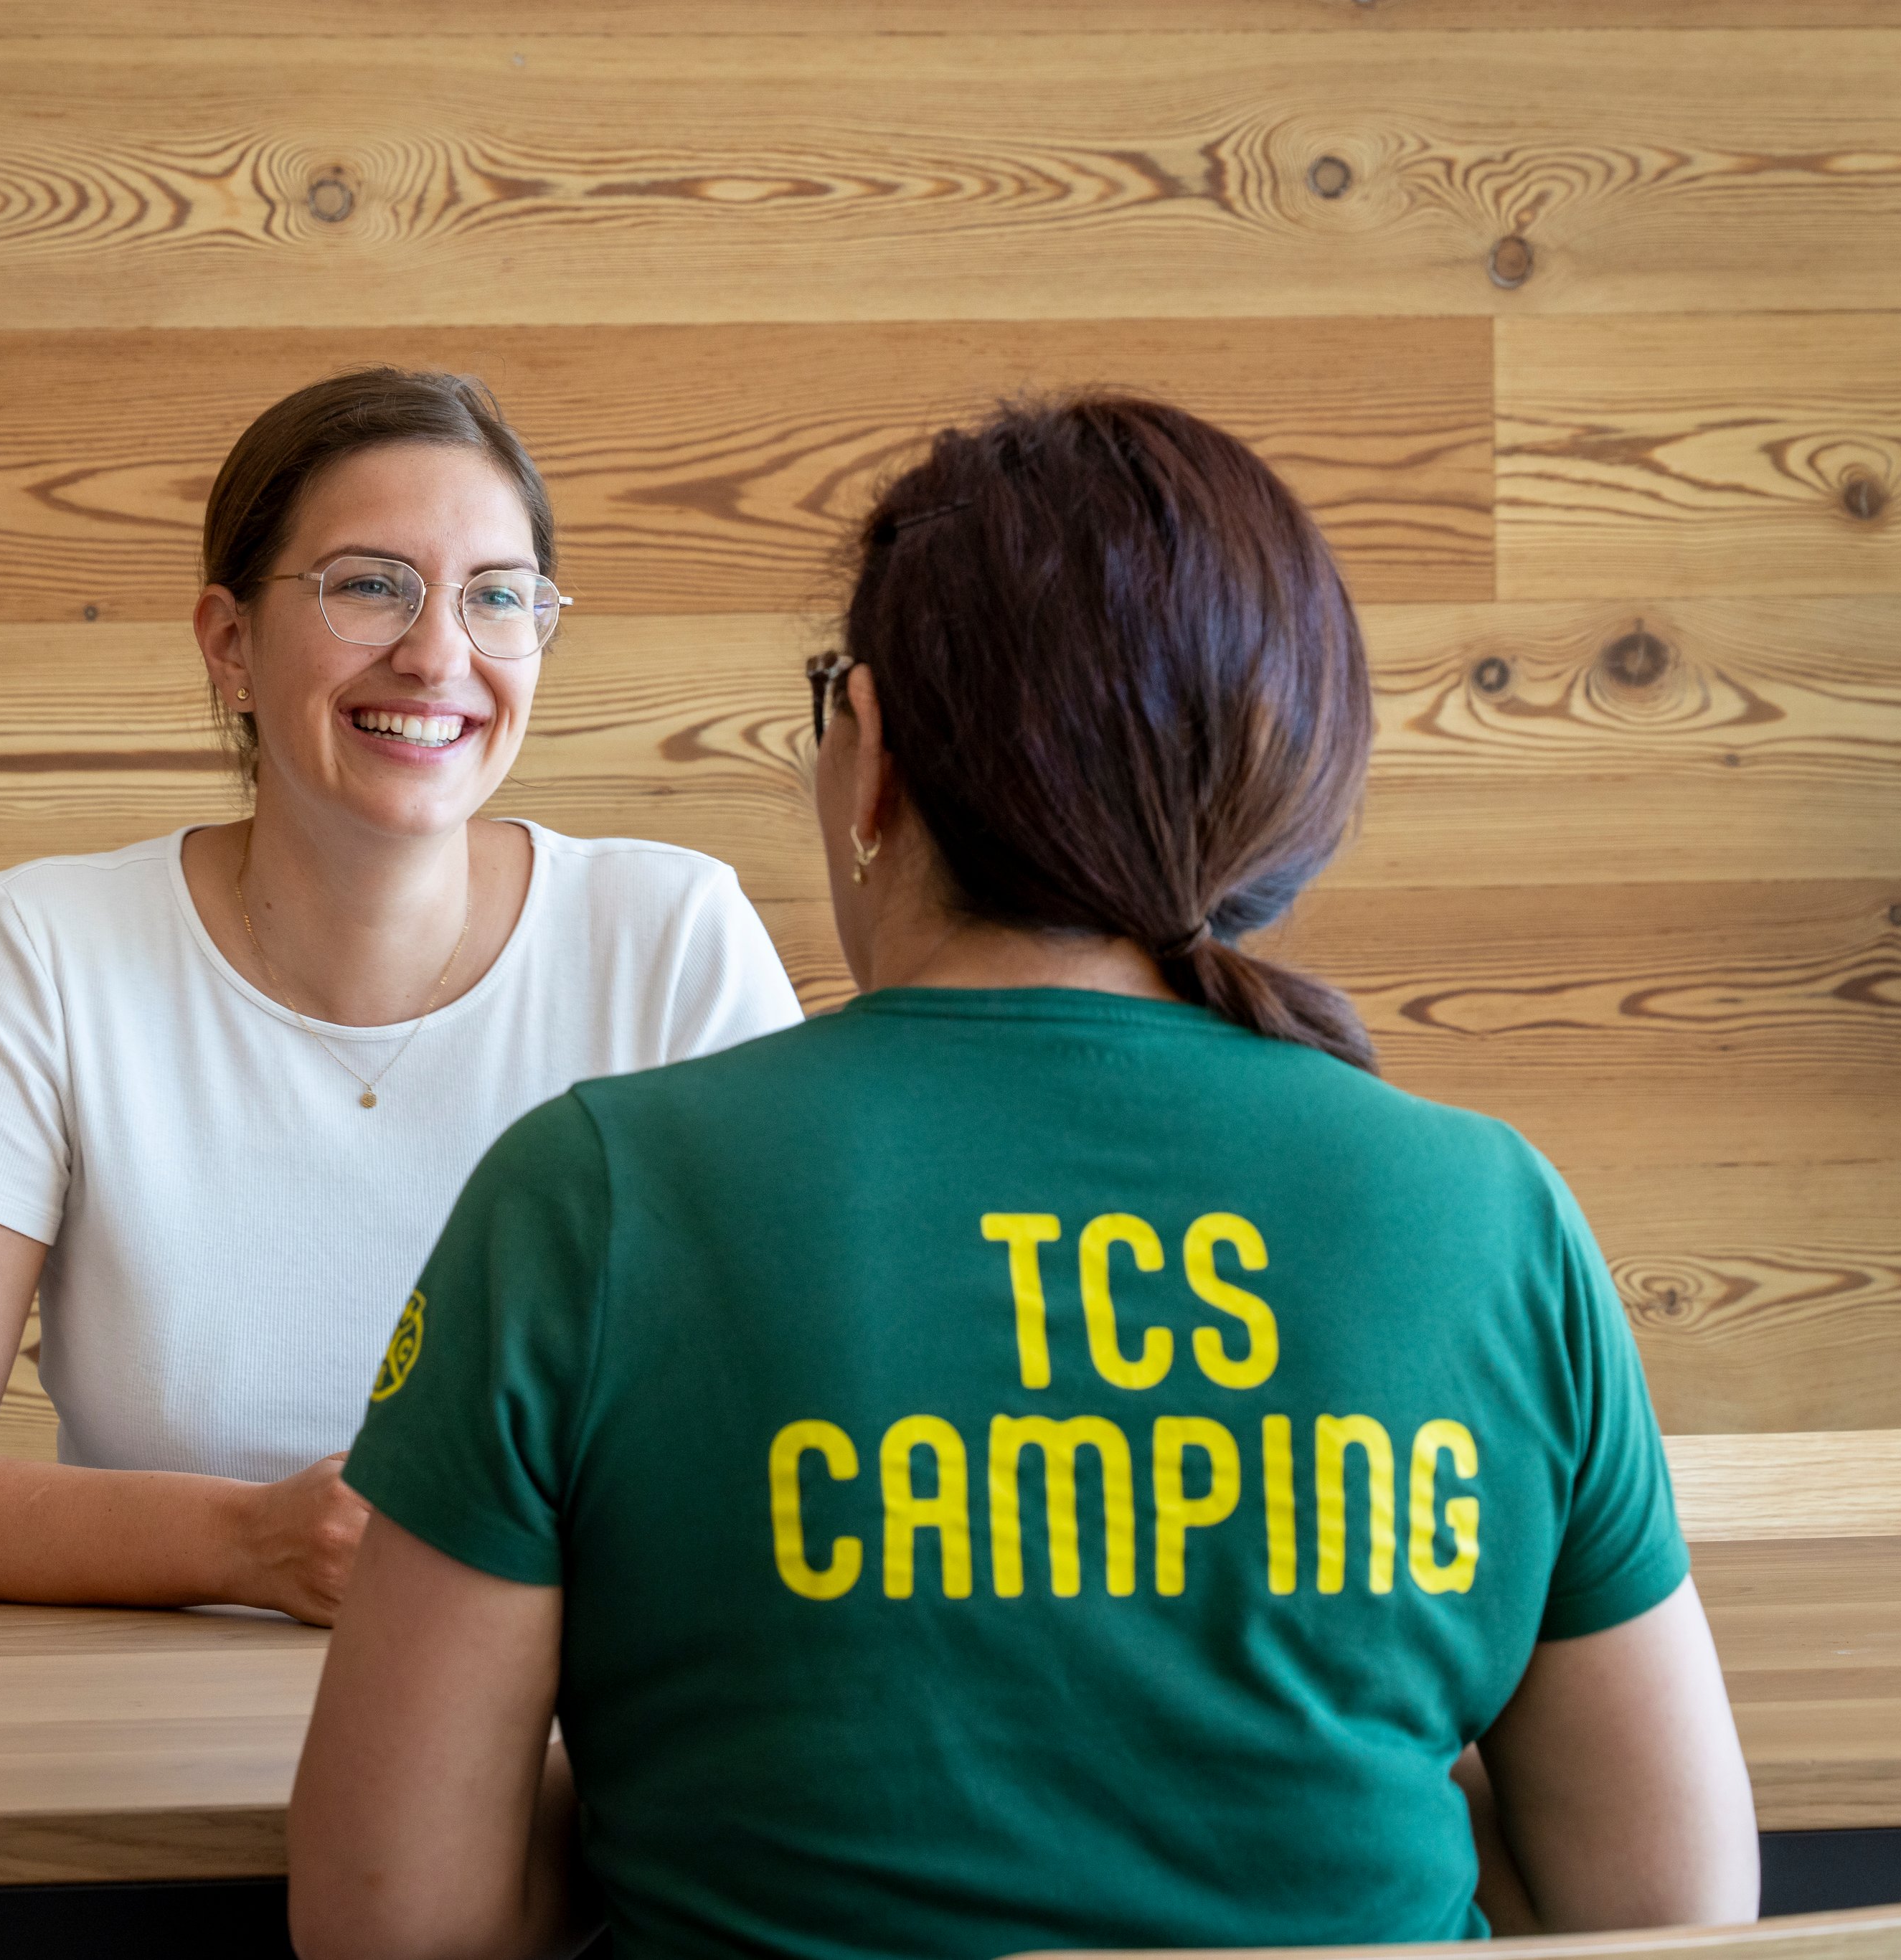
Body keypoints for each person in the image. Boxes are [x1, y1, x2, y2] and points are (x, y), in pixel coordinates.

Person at [291, 397, 1760, 1958]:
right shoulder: (1488, 1217)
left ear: (873, 752)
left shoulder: (589, 1197)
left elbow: (398, 1924)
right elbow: (1660, 1907)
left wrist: (690, 1788)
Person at [0, 369, 802, 1622]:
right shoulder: (48, 948)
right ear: (231, 645)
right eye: (371, 585)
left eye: (496, 598)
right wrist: (257, 1545)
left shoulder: (673, 941)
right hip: (143, 1758)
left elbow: (808, 1433)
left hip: (589, 1747)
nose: (440, 655)